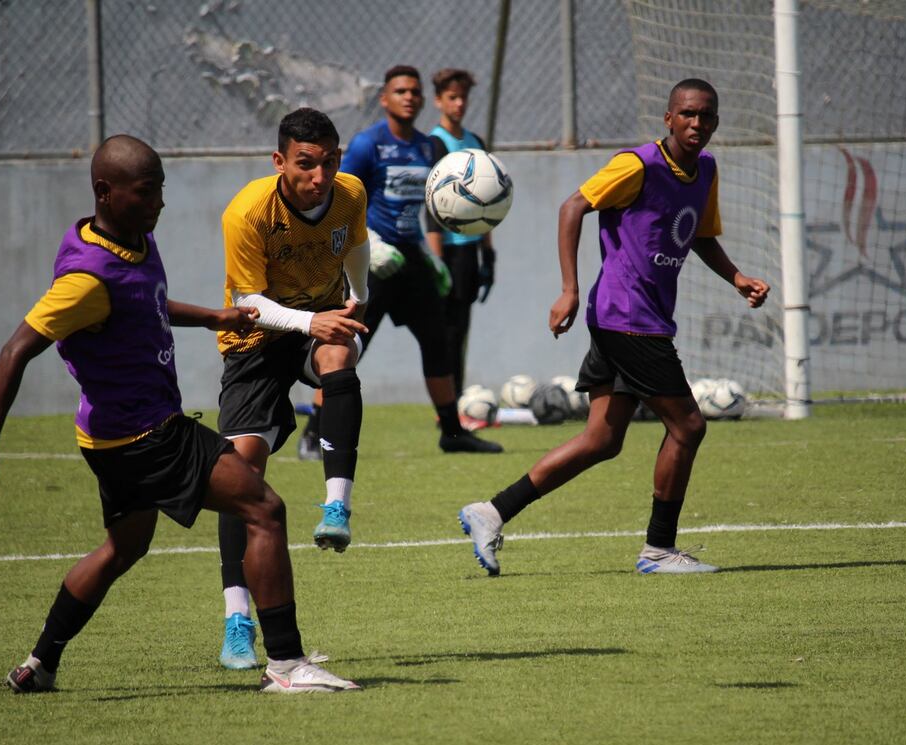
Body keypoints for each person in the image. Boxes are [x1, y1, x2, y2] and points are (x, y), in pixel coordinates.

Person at [0, 134, 359, 694]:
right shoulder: (85, 279)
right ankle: (288, 665)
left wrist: (214, 317)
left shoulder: (131, 240)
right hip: (147, 435)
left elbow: (143, 302)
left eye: (161, 190)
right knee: (265, 509)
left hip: (106, 439)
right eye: (146, 192)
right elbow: (15, 350)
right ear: (105, 191)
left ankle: (39, 664)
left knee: (123, 548)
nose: (159, 204)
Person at [458, 79, 770, 576]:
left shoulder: (705, 170)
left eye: (706, 115)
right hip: (628, 319)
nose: (696, 123)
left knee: (602, 439)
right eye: (687, 114)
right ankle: (659, 549)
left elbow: (699, 235)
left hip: (634, 319)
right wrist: (569, 289)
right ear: (668, 118)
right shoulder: (637, 165)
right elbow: (572, 207)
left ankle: (491, 511)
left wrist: (736, 278)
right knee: (688, 426)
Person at [213, 108, 371, 670]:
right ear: (280, 161)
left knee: (339, 355)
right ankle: (237, 621)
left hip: (318, 325)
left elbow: (355, 244)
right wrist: (312, 321)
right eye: (306, 164)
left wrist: (358, 299)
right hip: (253, 342)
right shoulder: (248, 212)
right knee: (241, 473)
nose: (319, 176)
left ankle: (337, 507)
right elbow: (248, 303)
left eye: (329, 162)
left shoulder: (351, 193)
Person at [298, 64, 502, 457]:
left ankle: (453, 434)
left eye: (414, 91)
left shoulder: (427, 147)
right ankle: (313, 432)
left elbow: (432, 206)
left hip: (410, 259)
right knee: (347, 346)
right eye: (400, 91)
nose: (409, 97)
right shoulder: (368, 144)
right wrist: (369, 243)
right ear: (384, 98)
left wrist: (431, 255)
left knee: (438, 342)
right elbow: (339, 198)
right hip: (372, 261)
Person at [425, 68, 498, 396]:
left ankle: (457, 400)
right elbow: (432, 208)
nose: (459, 104)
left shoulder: (475, 142)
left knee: (461, 330)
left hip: (469, 251)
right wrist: (437, 262)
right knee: (446, 332)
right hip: (447, 252)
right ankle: (447, 405)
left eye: (463, 97)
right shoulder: (434, 144)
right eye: (452, 97)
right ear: (438, 101)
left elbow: (488, 202)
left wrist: (488, 254)